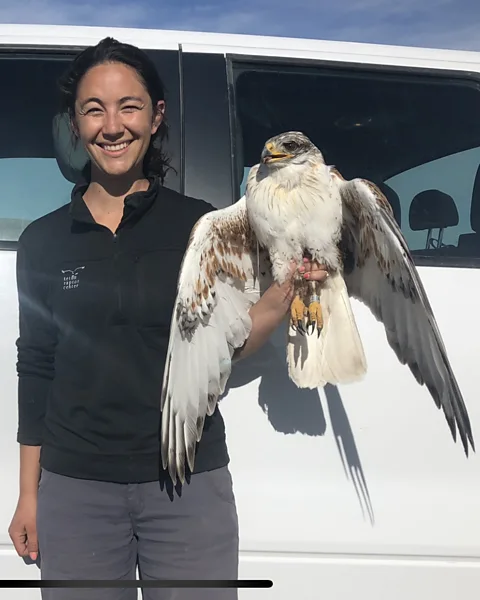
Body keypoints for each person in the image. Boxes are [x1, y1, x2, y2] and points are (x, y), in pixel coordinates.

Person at [7, 37, 328, 599]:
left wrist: (285, 290)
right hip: (76, 490)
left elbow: (232, 342)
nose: (112, 126)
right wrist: (28, 494)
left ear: (156, 117)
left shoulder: (201, 227)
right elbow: (36, 369)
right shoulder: (42, 242)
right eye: (94, 109)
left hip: (187, 482)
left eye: (129, 106)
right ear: (76, 125)